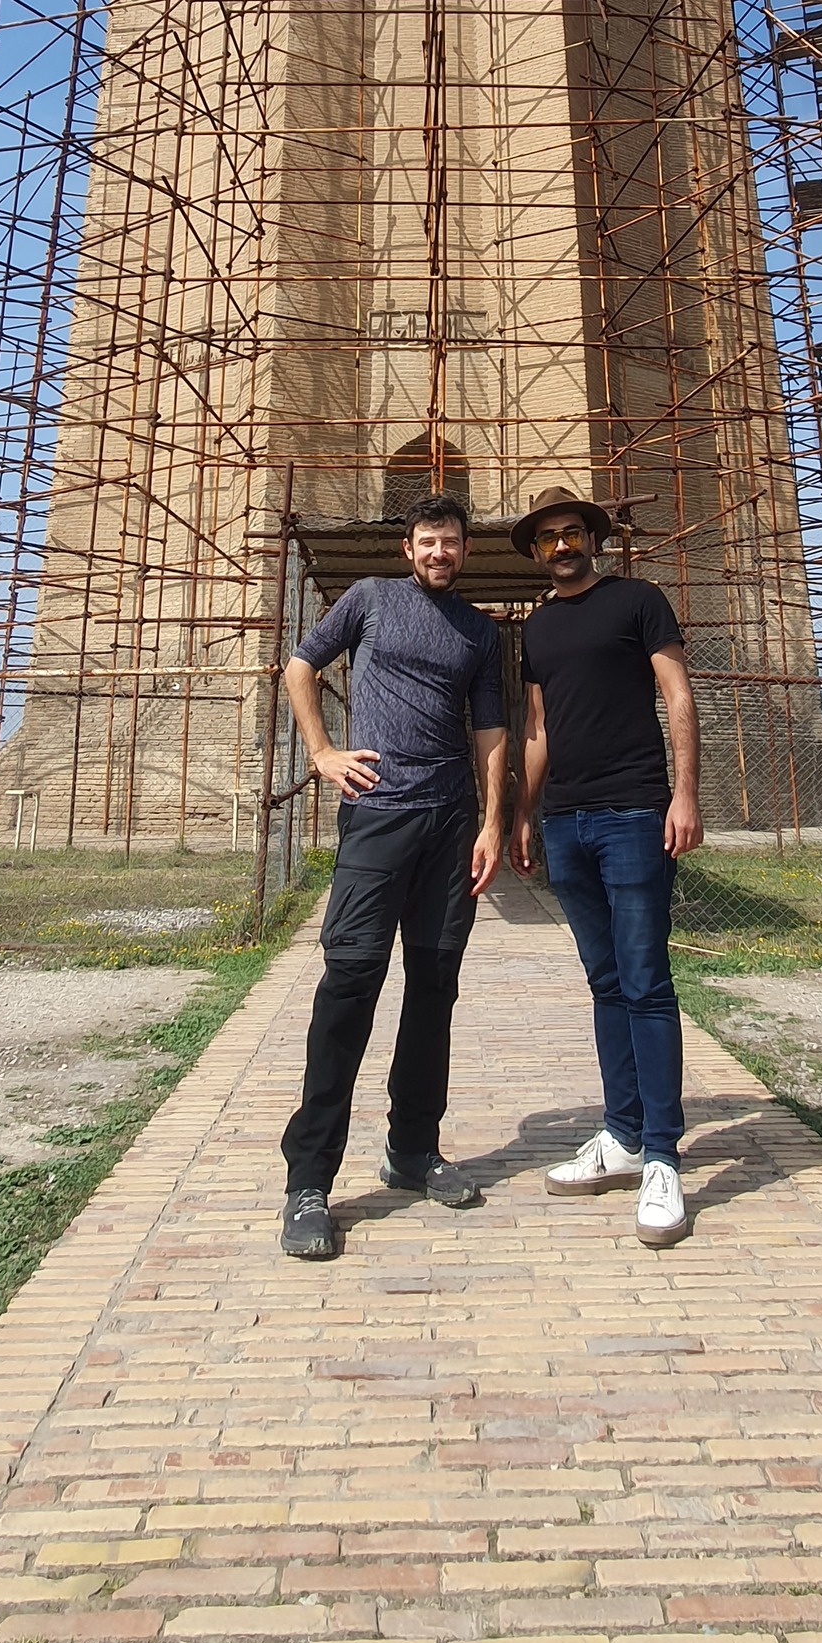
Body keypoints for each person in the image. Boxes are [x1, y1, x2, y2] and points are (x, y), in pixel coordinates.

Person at [276, 490, 507, 1259]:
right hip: (378, 816)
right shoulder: (370, 599)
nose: (440, 552)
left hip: (448, 824)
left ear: (465, 550)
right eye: (428, 541)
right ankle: (309, 1177)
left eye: (452, 542)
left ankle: (413, 1147)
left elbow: (491, 732)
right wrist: (321, 752)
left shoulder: (480, 631)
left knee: (435, 985)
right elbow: (301, 665)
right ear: (408, 548)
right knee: (350, 982)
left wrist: (493, 821)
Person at [508, 485, 702, 1248]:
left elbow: (677, 695)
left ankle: (662, 1155)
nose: (562, 545)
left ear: (593, 537)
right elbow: (539, 726)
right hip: (567, 819)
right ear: (534, 550)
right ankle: (622, 1134)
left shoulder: (639, 600)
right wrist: (522, 812)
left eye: (573, 532)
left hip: (633, 811)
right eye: (549, 537)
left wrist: (683, 795)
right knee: (604, 982)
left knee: (647, 980)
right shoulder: (541, 628)